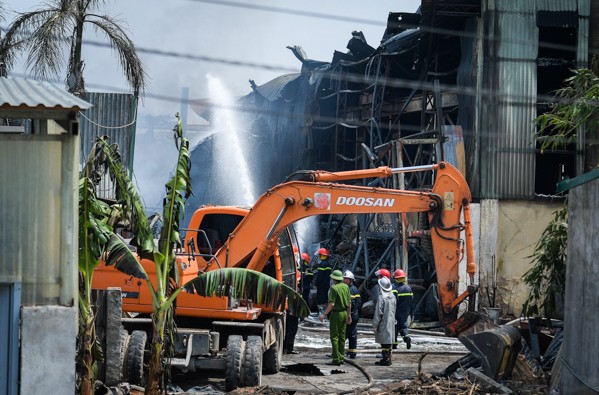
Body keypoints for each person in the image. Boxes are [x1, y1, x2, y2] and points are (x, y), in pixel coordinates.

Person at [319, 269, 351, 366]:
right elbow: (349, 303)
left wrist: (324, 315)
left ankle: (336, 359)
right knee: (342, 336)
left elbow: (332, 304)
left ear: (333, 279)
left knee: (334, 337)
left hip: (336, 314)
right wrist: (349, 315)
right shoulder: (346, 287)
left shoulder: (333, 288)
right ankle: (341, 357)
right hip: (344, 312)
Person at [372, 276, 396, 366]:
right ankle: (388, 359)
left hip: (383, 322)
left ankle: (386, 360)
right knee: (388, 341)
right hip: (391, 322)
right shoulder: (392, 296)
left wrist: (375, 325)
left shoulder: (381, 297)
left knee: (384, 342)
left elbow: (378, 312)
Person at [392, 268, 414, 350]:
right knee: (402, 326)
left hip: (397, 311)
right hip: (405, 311)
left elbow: (393, 301)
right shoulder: (408, 288)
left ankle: (394, 344)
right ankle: (406, 338)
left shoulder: (395, 289)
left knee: (395, 328)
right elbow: (412, 300)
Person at [343, 270, 361, 359]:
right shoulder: (355, 289)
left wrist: (348, 315)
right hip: (355, 315)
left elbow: (350, 304)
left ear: (351, 280)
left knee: (344, 334)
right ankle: (352, 352)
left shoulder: (349, 290)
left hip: (350, 315)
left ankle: (338, 351)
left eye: (346, 279)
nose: (344, 280)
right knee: (352, 334)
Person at [284, 268, 302, 354]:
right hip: (292, 310)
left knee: (288, 328)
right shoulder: (293, 288)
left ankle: (285, 347)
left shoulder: (289, 284)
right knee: (292, 329)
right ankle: (289, 348)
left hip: (289, 310)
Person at [313, 247, 332, 315]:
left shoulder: (322, 264)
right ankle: (325, 312)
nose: (319, 256)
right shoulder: (329, 264)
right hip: (326, 284)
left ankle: (321, 313)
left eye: (320, 255)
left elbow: (320, 276)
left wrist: (316, 283)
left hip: (321, 285)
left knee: (320, 298)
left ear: (322, 255)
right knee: (325, 298)